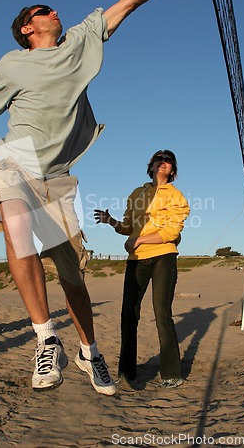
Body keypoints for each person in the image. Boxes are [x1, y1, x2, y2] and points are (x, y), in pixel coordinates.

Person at [0, 0, 189, 395]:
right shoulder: (11, 64)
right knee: (14, 220)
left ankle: (89, 351)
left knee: (73, 279)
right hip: (15, 158)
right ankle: (46, 338)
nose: (54, 11)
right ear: (28, 27)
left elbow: (128, 3)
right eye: (43, 10)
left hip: (59, 176)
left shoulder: (81, 41)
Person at [94, 150, 190, 388]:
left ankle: (171, 374)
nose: (163, 162)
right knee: (128, 315)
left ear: (173, 170)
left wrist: (140, 240)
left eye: (168, 161)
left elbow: (171, 232)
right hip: (136, 259)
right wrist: (111, 221)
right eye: (159, 159)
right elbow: (128, 227)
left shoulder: (176, 196)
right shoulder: (137, 194)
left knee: (161, 313)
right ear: (151, 165)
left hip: (163, 257)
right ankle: (127, 372)